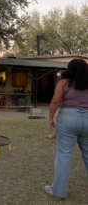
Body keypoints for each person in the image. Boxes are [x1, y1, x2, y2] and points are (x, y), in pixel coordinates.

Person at [45, 59, 88, 199]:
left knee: (64, 155)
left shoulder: (64, 83)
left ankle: (58, 191)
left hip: (68, 118)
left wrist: (50, 118)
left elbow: (55, 101)